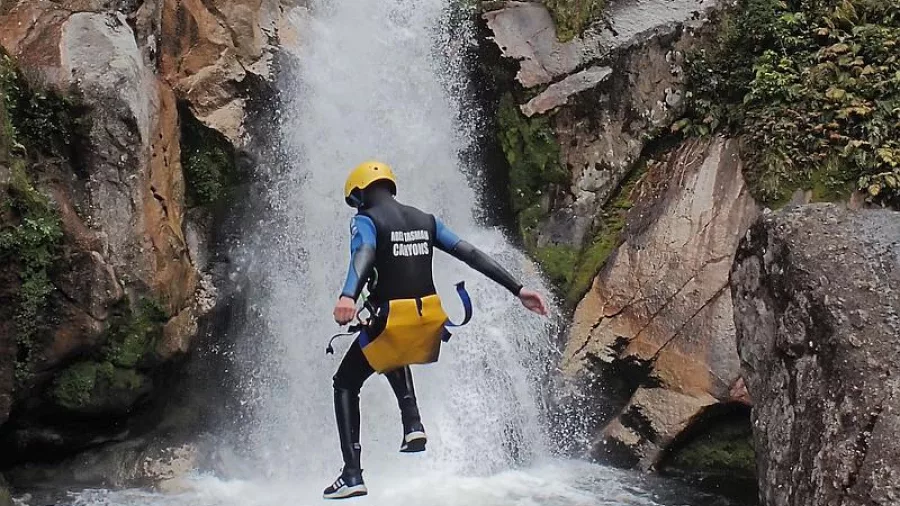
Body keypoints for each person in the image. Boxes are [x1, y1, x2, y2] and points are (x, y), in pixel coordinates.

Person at [323, 160, 548, 499]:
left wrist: (347, 295)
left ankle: (352, 474)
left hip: (391, 319)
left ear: (359, 195)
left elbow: (365, 251)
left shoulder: (365, 221)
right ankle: (413, 425)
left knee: (345, 382)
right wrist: (518, 290)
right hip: (427, 321)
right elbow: (469, 252)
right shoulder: (425, 220)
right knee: (387, 348)